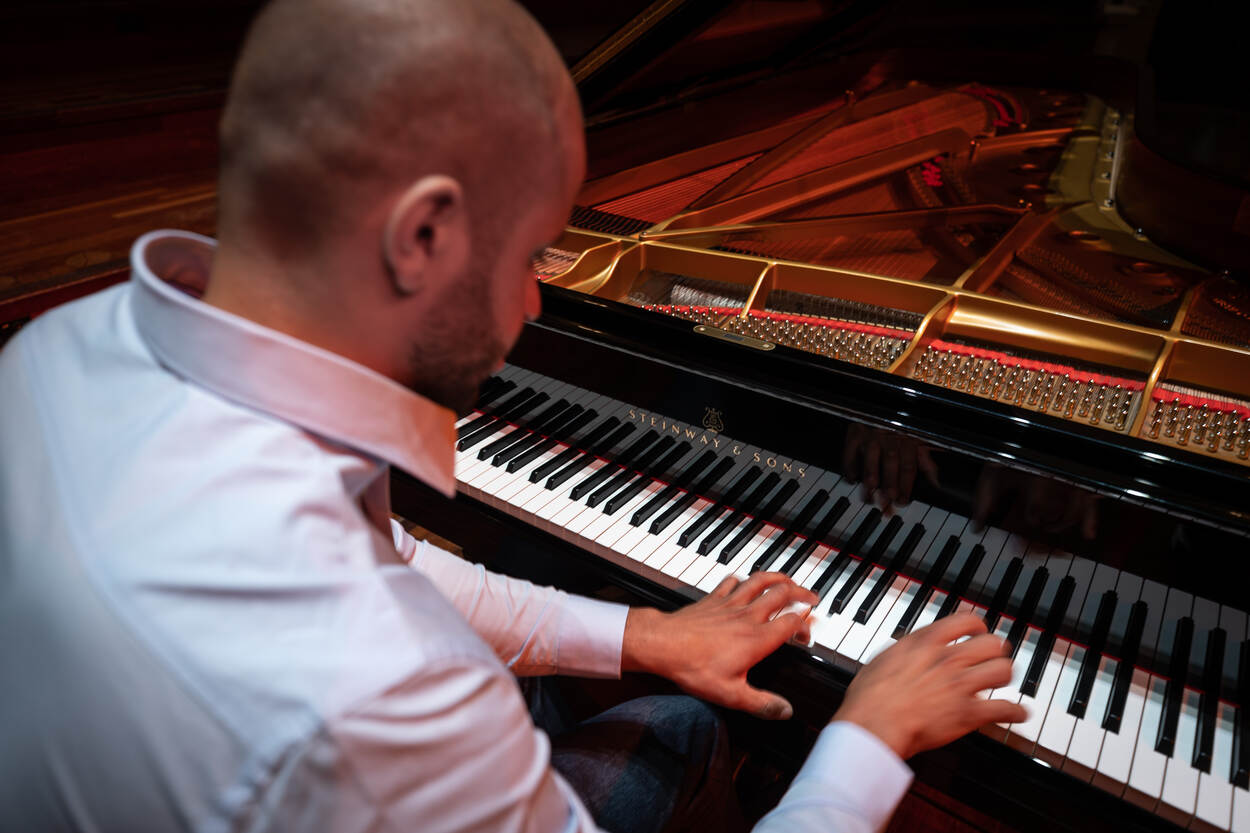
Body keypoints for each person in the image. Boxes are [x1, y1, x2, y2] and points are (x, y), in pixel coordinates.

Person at [0, 1, 1027, 831]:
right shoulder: (374, 688)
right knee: (682, 731)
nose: (539, 301)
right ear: (421, 235)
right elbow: (391, 654)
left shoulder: (56, 349)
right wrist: (868, 738)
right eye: (534, 252)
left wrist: (644, 632)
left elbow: (395, 556)